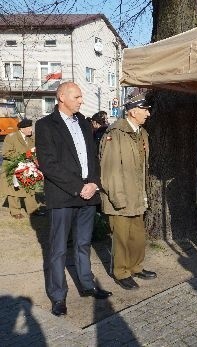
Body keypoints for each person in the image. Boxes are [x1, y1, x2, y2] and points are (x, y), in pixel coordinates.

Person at [35, 82, 112, 317]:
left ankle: (87, 284)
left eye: (81, 97)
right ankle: (58, 296)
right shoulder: (46, 125)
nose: (81, 100)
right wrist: (79, 188)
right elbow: (49, 165)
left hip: (88, 194)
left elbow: (93, 158)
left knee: (83, 243)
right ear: (61, 97)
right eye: (77, 96)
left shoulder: (84, 123)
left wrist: (94, 184)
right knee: (58, 249)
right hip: (63, 196)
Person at [99, 93, 157, 290]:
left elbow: (142, 168)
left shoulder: (141, 133)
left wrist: (144, 194)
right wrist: (118, 199)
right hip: (121, 197)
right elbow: (109, 171)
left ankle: (135, 266)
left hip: (137, 195)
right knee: (122, 237)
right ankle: (121, 272)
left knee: (137, 236)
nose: (148, 113)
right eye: (145, 109)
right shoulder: (115, 133)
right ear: (133, 111)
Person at [0, 119, 43, 218]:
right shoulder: (11, 137)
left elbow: (34, 150)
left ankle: (32, 210)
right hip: (13, 167)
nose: (31, 130)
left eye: (30, 127)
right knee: (14, 190)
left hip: (28, 167)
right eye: (28, 128)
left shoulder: (31, 138)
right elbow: (6, 153)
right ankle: (15, 212)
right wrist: (24, 156)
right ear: (22, 129)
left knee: (30, 188)